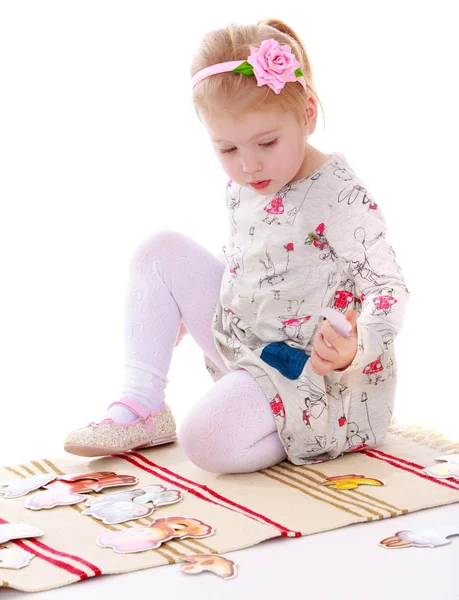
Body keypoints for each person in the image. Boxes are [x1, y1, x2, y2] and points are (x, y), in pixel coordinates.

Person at [64, 18, 409, 473]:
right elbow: (251, 255)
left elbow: (389, 287)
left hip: (313, 376)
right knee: (158, 251)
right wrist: (185, 305)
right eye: (226, 149)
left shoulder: (339, 198)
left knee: (203, 441)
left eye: (266, 142)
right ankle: (143, 405)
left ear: (306, 114)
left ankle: (313, 432)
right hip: (247, 341)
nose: (248, 164)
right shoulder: (254, 179)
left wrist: (356, 347)